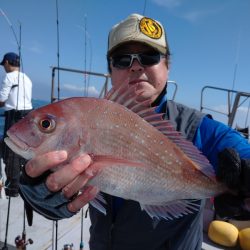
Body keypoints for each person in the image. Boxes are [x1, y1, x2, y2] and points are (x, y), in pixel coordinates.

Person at [18, 14, 250, 249]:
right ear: (110, 69)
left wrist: (244, 177)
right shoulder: (88, 121)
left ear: (168, 66)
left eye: (149, 56)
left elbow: (242, 151)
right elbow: (62, 191)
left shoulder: (200, 128)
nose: (136, 66)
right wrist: (41, 192)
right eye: (122, 59)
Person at [0, 52, 33, 197]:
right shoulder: (27, 79)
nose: (4, 68)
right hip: (27, 116)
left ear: (7, 62)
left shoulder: (8, 77)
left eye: (4, 65)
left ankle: (12, 189)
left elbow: (2, 100)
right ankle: (22, 185)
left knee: (11, 153)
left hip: (13, 116)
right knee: (22, 152)